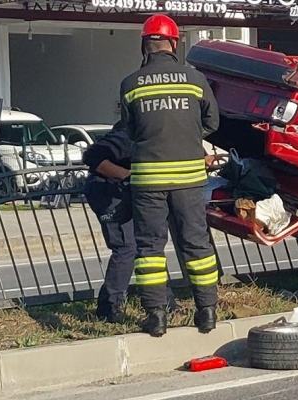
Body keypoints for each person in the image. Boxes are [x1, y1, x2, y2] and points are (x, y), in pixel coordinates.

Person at [119, 14, 220, 337]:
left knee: (149, 249)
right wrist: (187, 135)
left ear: (144, 45)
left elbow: (130, 131)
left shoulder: (131, 84)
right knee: (196, 244)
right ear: (174, 44)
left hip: (148, 180)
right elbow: (212, 122)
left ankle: (156, 317)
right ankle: (207, 312)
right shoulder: (195, 79)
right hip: (189, 178)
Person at [82, 121, 178, 323]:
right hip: (107, 192)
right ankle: (108, 308)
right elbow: (91, 156)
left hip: (128, 193)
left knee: (149, 247)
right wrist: (127, 175)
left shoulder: (154, 136)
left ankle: (165, 302)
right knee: (126, 247)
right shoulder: (130, 134)